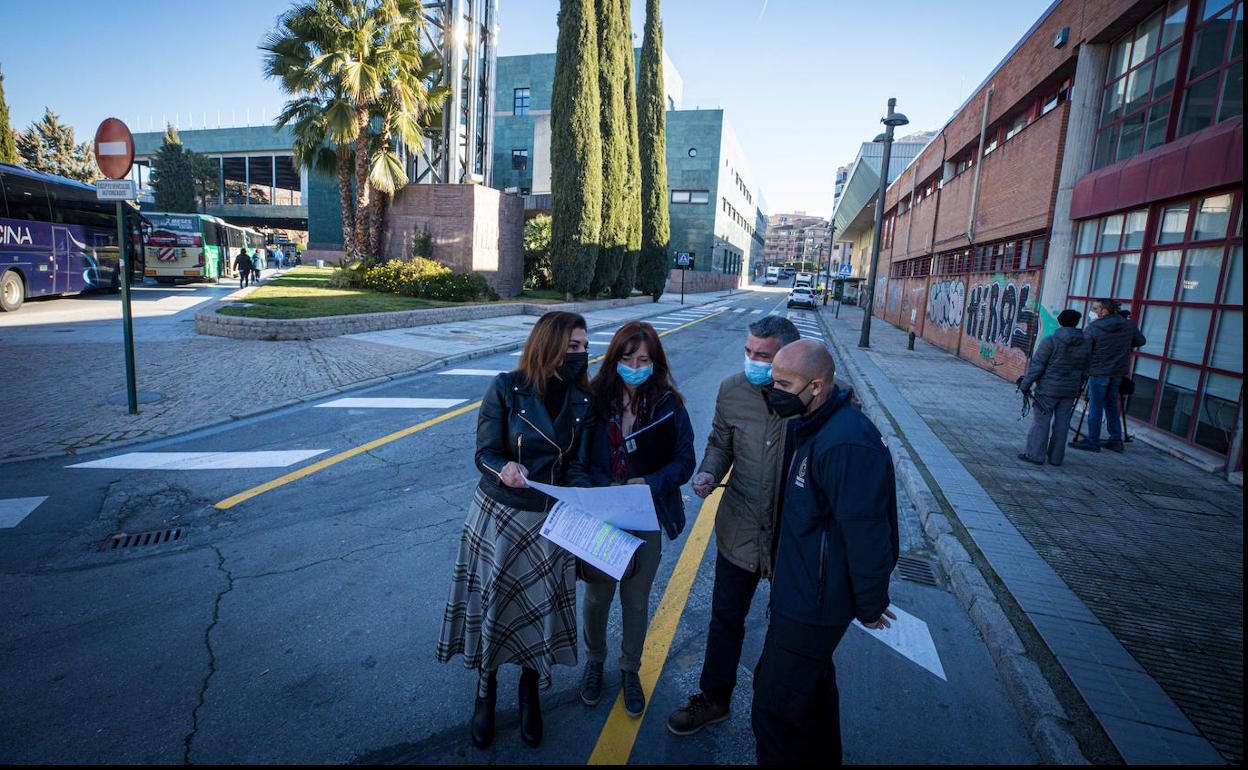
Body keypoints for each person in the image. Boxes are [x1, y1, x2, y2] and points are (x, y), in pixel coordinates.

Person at [436, 311, 594, 750]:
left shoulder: (584, 399)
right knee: (496, 607)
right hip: (501, 516)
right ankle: (484, 693)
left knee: (537, 609)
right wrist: (502, 466)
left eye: (584, 345)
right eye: (574, 346)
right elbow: (483, 451)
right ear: (551, 344)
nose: (582, 354)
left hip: (552, 520)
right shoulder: (507, 387)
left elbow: (577, 464)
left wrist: (582, 497)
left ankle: (529, 693)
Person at [751, 339, 898, 766]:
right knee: (811, 698)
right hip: (800, 592)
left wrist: (871, 604)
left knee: (773, 711)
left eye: (783, 382)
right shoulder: (814, 425)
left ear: (816, 386)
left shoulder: (845, 443)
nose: (772, 389)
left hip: (812, 604)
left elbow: (867, 533)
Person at [666, 315, 801, 736]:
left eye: (763, 355)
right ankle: (714, 699)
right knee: (725, 619)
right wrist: (708, 472)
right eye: (749, 352)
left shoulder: (812, 395)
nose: (752, 361)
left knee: (788, 629)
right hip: (739, 526)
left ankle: (774, 705)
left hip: (791, 537)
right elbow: (719, 443)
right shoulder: (732, 391)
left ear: (788, 357)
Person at [579, 321, 695, 718]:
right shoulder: (593, 399)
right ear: (615, 358)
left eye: (643, 359)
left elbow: (685, 461)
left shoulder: (668, 403)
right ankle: (595, 662)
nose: (635, 365)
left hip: (646, 511)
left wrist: (651, 481)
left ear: (654, 362)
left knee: (636, 600)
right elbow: (577, 458)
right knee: (597, 596)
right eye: (627, 358)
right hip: (603, 510)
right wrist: (604, 485)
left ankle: (630, 669)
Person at [1017, 309, 1092, 467]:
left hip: (1048, 389)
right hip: (1070, 389)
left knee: (1041, 421)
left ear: (1060, 321)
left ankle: (1035, 455)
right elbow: (1086, 368)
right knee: (1062, 423)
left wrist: (1025, 385)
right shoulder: (1085, 343)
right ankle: (1056, 458)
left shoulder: (1051, 341)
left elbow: (1037, 366)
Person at [1071, 298, 1145, 453]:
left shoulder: (1094, 328)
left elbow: (1085, 350)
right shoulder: (1127, 325)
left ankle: (1093, 441)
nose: (1093, 311)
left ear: (1105, 311)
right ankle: (1115, 440)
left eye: (1096, 308)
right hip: (1117, 372)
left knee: (1096, 406)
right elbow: (1140, 341)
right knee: (1111, 405)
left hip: (1099, 371)